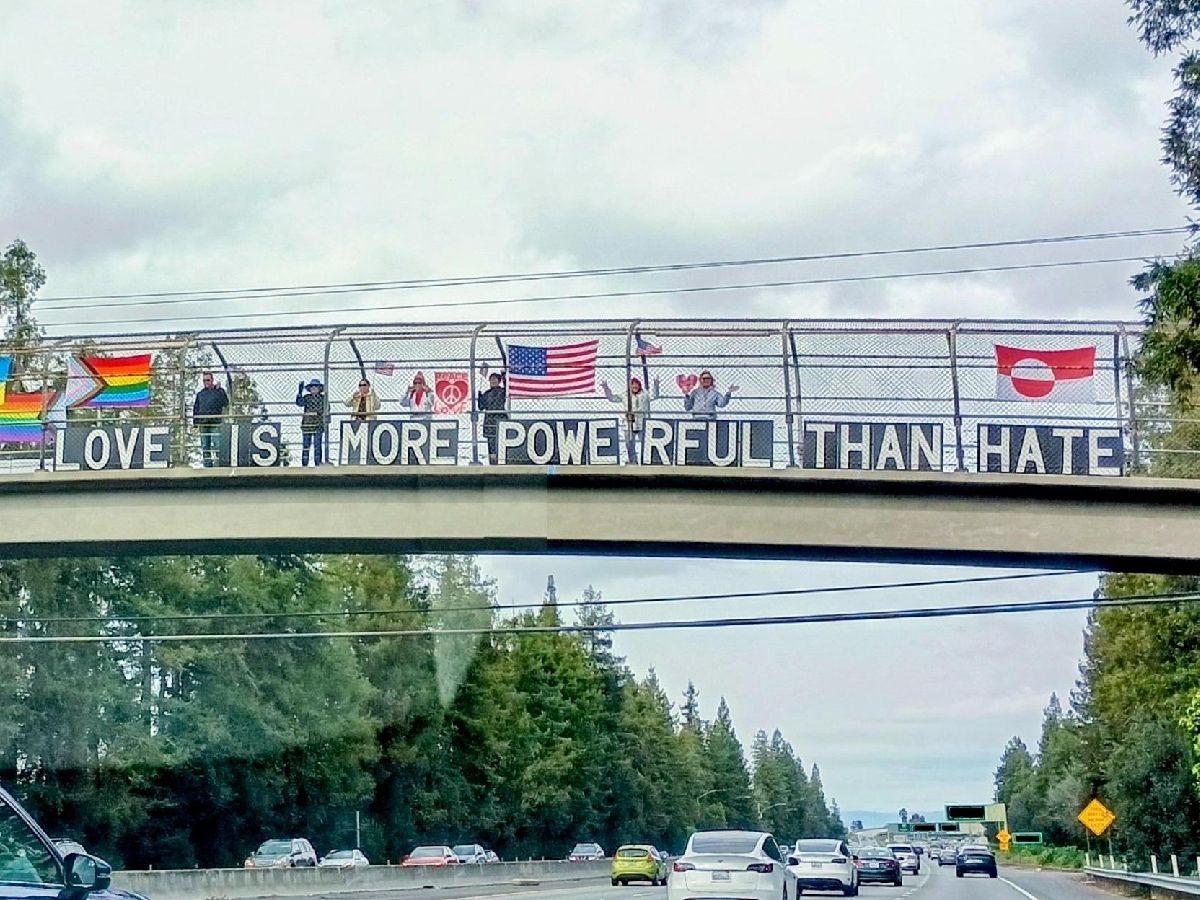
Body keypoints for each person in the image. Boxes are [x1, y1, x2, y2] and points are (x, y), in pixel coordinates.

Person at [602, 375, 659, 463]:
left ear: (640, 386)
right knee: (629, 444)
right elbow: (612, 398)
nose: (635, 387)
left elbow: (654, 395)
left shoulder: (645, 394)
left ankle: (647, 460)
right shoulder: (625, 395)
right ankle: (632, 461)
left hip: (642, 422)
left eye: (637, 385)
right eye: (633, 385)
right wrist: (606, 388)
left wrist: (656, 384)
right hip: (629, 423)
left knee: (646, 442)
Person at [192, 371, 229, 467]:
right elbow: (196, 408)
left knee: (216, 444)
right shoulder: (200, 394)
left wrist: (220, 390)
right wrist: (195, 424)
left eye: (208, 380)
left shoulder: (218, 391)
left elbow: (225, 402)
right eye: (204, 380)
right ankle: (207, 466)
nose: (206, 382)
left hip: (215, 422)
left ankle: (219, 465)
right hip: (203, 423)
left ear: (212, 380)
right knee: (205, 446)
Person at [476, 365, 508, 464]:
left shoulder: (502, 391)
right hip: (489, 420)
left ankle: (502, 460)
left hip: (500, 419)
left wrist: (503, 375)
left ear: (499, 381)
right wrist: (479, 397)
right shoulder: (486, 393)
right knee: (491, 443)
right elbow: (481, 407)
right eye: (491, 380)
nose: (493, 381)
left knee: (502, 442)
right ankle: (493, 462)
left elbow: (508, 385)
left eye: (495, 380)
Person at [294, 378, 328, 466]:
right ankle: (304, 464)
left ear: (319, 389)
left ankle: (318, 463)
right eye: (312, 386)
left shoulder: (323, 398)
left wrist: (316, 413)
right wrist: (299, 392)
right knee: (306, 445)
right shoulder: (307, 397)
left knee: (317, 445)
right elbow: (299, 403)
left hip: (318, 424)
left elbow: (325, 408)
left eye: (316, 386)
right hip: (307, 424)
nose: (314, 388)